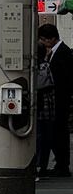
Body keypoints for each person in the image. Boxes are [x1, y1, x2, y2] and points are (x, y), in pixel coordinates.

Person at [38, 23, 72, 177]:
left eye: (43, 40)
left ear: (50, 39)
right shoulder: (56, 52)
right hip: (57, 101)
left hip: (60, 100)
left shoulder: (63, 53)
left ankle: (63, 166)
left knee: (60, 133)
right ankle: (60, 164)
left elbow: (63, 80)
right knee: (57, 133)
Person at [35, 38, 55, 180]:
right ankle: (41, 165)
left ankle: (38, 165)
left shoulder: (35, 67)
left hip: (38, 107)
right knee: (44, 138)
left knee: (39, 137)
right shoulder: (45, 66)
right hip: (46, 107)